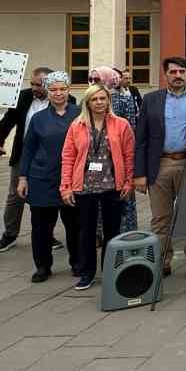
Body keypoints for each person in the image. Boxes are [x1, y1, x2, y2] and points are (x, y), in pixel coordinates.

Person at [133, 56, 186, 279]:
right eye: (173, 72)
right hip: (159, 165)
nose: (178, 76)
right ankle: (162, 260)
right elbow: (141, 138)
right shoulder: (151, 100)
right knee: (160, 217)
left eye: (182, 72)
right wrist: (139, 174)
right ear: (165, 75)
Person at [59, 82, 135, 291]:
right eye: (94, 99)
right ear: (88, 102)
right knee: (86, 232)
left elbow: (129, 156)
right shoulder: (77, 125)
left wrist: (128, 181)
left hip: (113, 185)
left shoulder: (121, 125)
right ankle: (87, 273)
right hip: (84, 186)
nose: (99, 102)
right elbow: (68, 156)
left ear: (108, 100)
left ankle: (111, 270)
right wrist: (65, 186)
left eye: (103, 98)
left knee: (112, 232)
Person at [19, 71, 81, 283]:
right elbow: (28, 149)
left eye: (62, 89)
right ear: (47, 91)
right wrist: (22, 177)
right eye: (53, 89)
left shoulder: (80, 114)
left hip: (73, 180)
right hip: (42, 179)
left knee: (75, 225)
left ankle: (78, 262)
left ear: (69, 90)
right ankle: (43, 266)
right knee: (41, 227)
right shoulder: (38, 118)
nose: (58, 93)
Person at [0, 65, 52, 253]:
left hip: (49, 158)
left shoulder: (64, 100)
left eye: (39, 84)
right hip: (23, 155)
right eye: (32, 84)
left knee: (46, 197)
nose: (34, 88)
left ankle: (46, 235)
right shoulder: (23, 97)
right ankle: (10, 234)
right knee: (15, 195)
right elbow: (6, 123)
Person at [89, 66, 139, 236]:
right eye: (90, 79)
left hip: (117, 163)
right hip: (94, 162)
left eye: (96, 80)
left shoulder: (124, 100)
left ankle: (123, 235)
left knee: (121, 204)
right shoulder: (88, 100)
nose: (92, 83)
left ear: (108, 80)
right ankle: (98, 234)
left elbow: (131, 130)